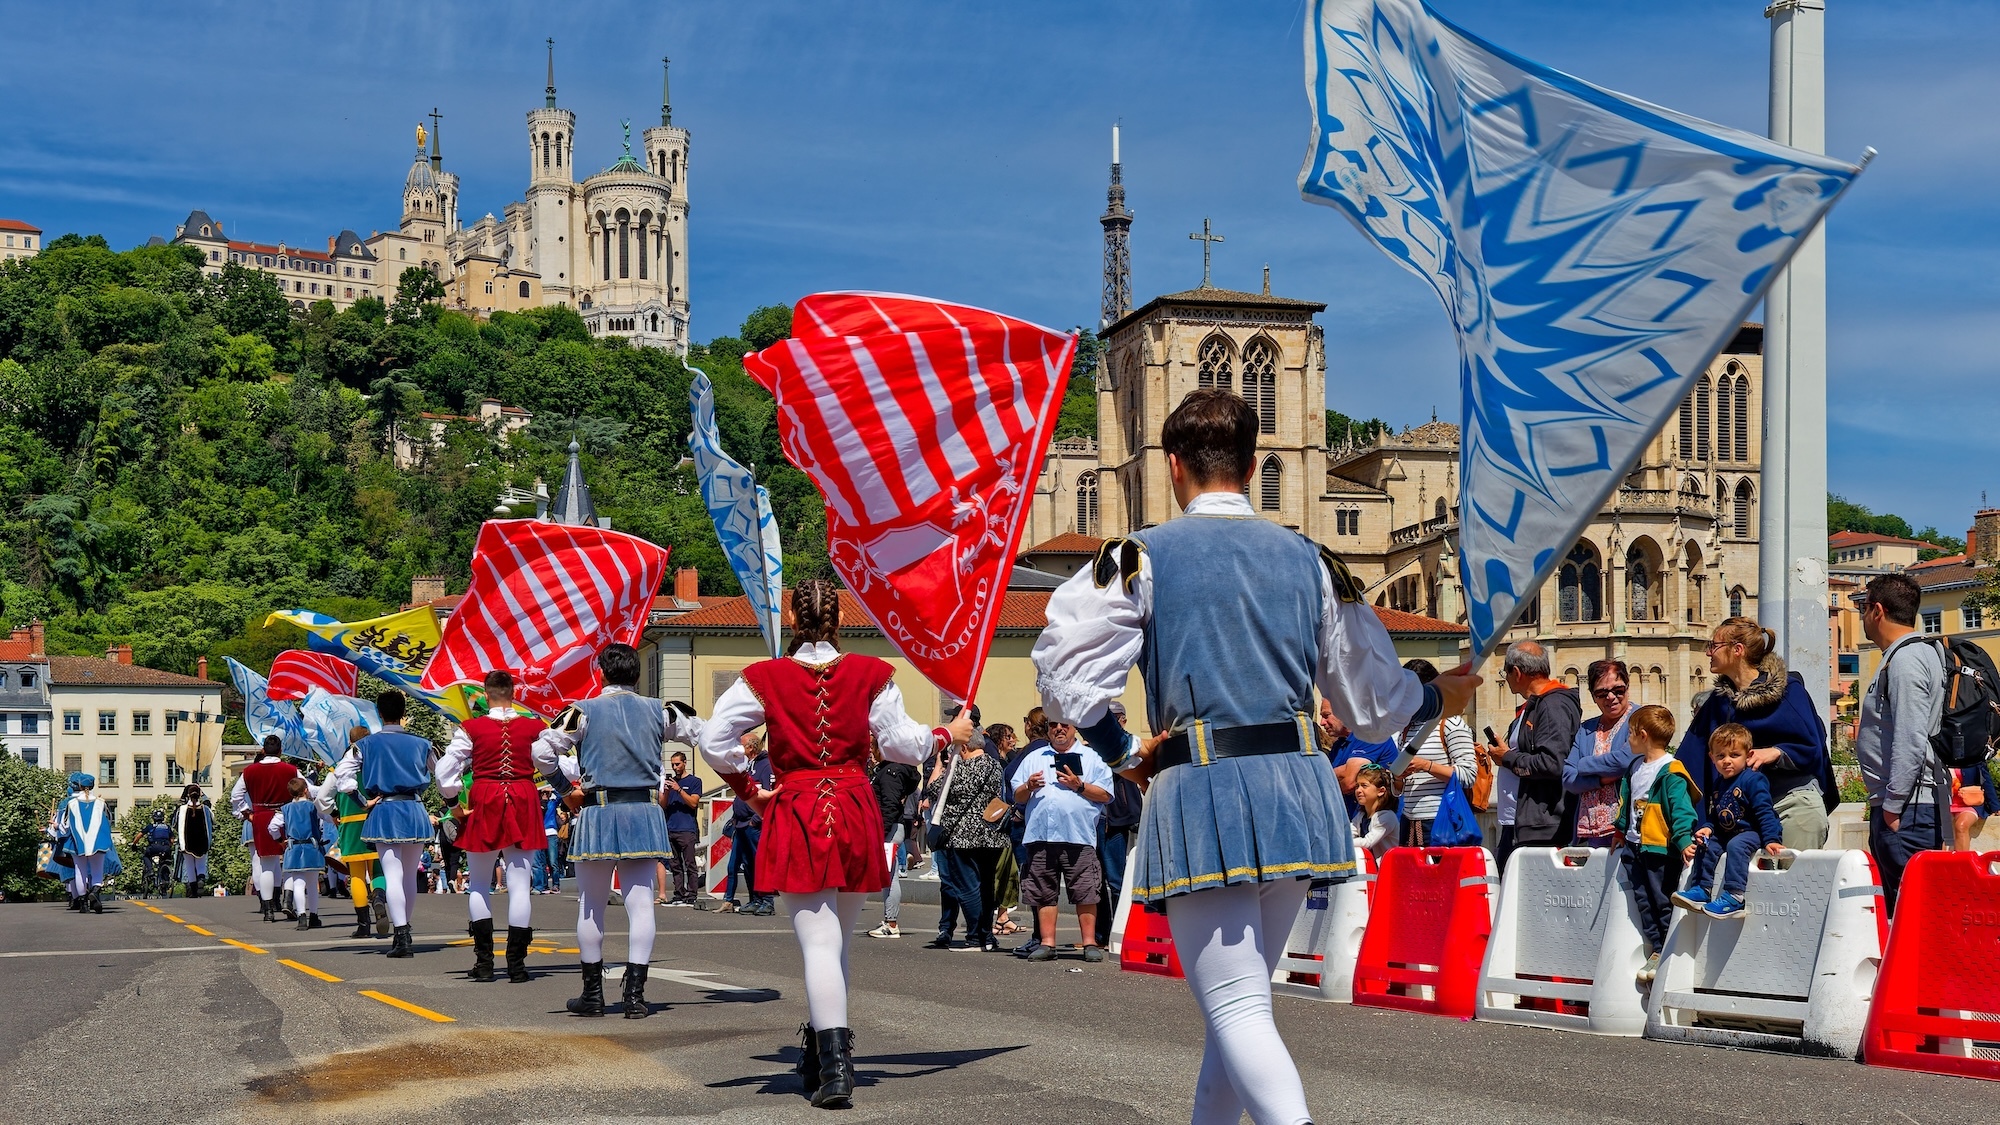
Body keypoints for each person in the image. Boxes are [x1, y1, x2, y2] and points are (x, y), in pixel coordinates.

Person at [1031, 388, 1480, 1125]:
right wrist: (1438, 698)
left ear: (1174, 466)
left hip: (1206, 785)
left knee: (1236, 1006)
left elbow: (1065, 676)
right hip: (1299, 791)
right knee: (1235, 1011)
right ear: (1250, 463)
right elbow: (1370, 699)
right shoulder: (1311, 558)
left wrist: (1118, 748)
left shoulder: (1140, 554)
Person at [697, 578, 976, 1110]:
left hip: (799, 805)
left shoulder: (764, 677)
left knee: (819, 944)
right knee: (839, 942)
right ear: (839, 620)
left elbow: (713, 739)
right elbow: (903, 744)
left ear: (792, 619)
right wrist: (947, 735)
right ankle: (823, 1052)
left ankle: (835, 1067)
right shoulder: (873, 674)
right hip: (852, 805)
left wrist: (750, 790)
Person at [529, 645, 702, 1019]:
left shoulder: (582, 711)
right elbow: (705, 734)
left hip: (598, 811)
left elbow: (541, 752)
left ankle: (593, 995)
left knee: (591, 904)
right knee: (641, 906)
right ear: (637, 677)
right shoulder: (663, 709)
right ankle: (635, 996)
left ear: (602, 675)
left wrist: (564, 788)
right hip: (642, 810)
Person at [1676, 616, 1835, 850]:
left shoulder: (1789, 693)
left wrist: (1777, 752)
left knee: (1789, 883)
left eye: (1714, 646)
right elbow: (1691, 759)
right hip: (1738, 814)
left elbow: (1813, 746)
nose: (1709, 653)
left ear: (1737, 650)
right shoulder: (1718, 704)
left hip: (1790, 805)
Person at [435, 671, 551, 984]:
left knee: (479, 883)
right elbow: (556, 762)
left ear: (486, 695)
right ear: (514, 693)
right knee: (519, 884)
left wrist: (453, 806)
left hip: (484, 796)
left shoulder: (470, 728)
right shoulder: (535, 727)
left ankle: (485, 964)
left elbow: (444, 773)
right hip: (523, 796)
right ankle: (516, 965)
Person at [1855, 573, 1946, 913]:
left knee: (1911, 916)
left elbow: (1910, 736)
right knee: (1906, 916)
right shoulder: (1913, 654)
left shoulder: (1906, 660)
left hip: (1907, 811)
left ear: (1877, 610)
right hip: (1907, 807)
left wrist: (1892, 805)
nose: (1863, 617)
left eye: (1863, 609)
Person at [333, 691, 438, 957]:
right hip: (414, 808)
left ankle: (401, 934)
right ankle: (405, 928)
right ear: (403, 713)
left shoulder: (366, 745)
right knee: (409, 876)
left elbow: (342, 775)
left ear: (379, 714)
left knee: (392, 875)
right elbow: (444, 774)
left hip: (385, 809)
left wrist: (360, 800)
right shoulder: (422, 743)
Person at [1011, 718, 1113, 963]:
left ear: (1074, 728)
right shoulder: (1034, 757)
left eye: (1064, 725)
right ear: (1047, 730)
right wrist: (1029, 785)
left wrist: (1079, 786)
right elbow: (1017, 793)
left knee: (1086, 891)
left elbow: (1106, 794)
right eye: (1053, 725)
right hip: (1041, 836)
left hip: (1078, 836)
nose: (1059, 728)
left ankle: (1090, 942)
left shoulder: (1091, 758)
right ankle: (1047, 943)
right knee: (1044, 892)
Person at [1611, 705, 1698, 985]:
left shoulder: (1670, 770)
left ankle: (1667, 952)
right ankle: (1657, 949)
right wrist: (1620, 831)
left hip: (1659, 849)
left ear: (1643, 735)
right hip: (1636, 847)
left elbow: (1680, 810)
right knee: (1643, 901)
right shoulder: (1635, 767)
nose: (1628, 740)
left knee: (1662, 901)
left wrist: (1684, 841)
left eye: (1631, 734)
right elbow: (1626, 803)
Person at [1672, 723, 1785, 920]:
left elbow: (1764, 811)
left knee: (1736, 845)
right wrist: (1707, 828)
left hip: (1752, 832)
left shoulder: (1753, 779)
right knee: (1706, 844)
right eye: (1720, 756)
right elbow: (1716, 815)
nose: (1726, 761)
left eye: (1734, 755)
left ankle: (1735, 896)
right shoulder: (1719, 783)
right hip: (1728, 832)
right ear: (1712, 758)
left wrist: (1771, 839)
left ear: (1748, 756)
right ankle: (1701, 889)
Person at [1487, 640, 1580, 873]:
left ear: (1516, 672)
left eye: (1505, 672)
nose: (1505, 678)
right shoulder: (1536, 705)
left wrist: (1507, 758)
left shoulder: (1553, 704)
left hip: (1544, 825)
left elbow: (1551, 763)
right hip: (1523, 821)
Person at [924, 718, 1010, 952]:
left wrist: (941, 765)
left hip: (963, 835)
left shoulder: (959, 768)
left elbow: (932, 790)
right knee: (986, 886)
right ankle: (987, 936)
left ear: (964, 746)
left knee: (967, 886)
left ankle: (974, 937)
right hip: (991, 833)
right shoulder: (995, 765)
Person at [1394, 659, 1478, 846]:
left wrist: (1425, 765)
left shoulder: (1451, 724)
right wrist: (1398, 777)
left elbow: (1469, 775)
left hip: (1442, 821)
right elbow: (1399, 787)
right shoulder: (1406, 728)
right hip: (1409, 822)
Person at [1563, 660, 1637, 849]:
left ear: (1628, 686)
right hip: (1591, 834)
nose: (1611, 697)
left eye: (1618, 690)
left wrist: (1583, 764)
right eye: (1602, 693)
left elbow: (1624, 762)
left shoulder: (1641, 718)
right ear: (1593, 696)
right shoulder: (1586, 729)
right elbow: (1568, 778)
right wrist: (1602, 780)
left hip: (1629, 828)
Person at [322, 727, 386, 939]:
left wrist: (334, 813)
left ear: (350, 742)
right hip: (376, 822)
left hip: (350, 825)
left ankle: (363, 924)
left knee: (356, 874)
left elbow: (321, 799)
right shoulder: (378, 765)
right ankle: (378, 899)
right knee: (378, 870)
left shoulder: (339, 768)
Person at [232, 735, 301, 923]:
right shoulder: (291, 769)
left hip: (261, 817)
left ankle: (268, 910)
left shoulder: (250, 771)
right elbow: (306, 789)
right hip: (286, 816)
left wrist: (247, 814)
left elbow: (236, 796)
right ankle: (287, 900)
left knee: (266, 865)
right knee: (288, 863)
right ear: (280, 750)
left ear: (263, 750)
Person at [1095, 703, 1146, 947]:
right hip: (1098, 820)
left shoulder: (1129, 745)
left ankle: (1120, 930)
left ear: (1123, 720)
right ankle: (1102, 933)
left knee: (1116, 879)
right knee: (1097, 880)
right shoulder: (1095, 746)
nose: (1111, 723)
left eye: (1115, 718)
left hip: (1117, 820)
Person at [866, 740, 919, 938]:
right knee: (889, 875)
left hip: (887, 829)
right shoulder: (893, 770)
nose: (871, 751)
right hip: (891, 828)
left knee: (890, 876)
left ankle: (891, 923)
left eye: (874, 747)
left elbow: (889, 805)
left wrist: (879, 832)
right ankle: (890, 920)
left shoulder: (890, 773)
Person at [722, 732, 774, 915]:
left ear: (751, 747)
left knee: (760, 862)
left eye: (741, 745)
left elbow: (770, 793)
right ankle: (755, 899)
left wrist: (756, 819)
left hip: (754, 824)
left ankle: (767, 901)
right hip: (741, 824)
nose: (738, 749)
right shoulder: (747, 765)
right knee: (748, 863)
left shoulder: (766, 766)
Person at [51, 772, 115, 913]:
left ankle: (83, 903)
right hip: (99, 842)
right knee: (97, 871)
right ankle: (95, 890)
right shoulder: (101, 802)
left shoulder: (71, 803)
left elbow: (64, 826)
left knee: (80, 872)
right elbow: (109, 821)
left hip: (78, 843)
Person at [270, 775, 328, 930]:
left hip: (293, 848)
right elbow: (325, 820)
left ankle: (301, 916)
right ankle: (314, 916)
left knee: (298, 883)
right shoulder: (313, 806)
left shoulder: (285, 809)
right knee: (312, 883)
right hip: (312, 847)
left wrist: (279, 840)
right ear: (306, 790)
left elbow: (273, 827)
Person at [662, 751, 705, 906]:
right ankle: (679, 893)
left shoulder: (694, 781)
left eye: (677, 764)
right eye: (673, 764)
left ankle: (692, 894)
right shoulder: (671, 783)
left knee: (689, 863)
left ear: (684, 763)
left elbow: (694, 803)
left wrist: (679, 789)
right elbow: (663, 805)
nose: (675, 767)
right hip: (670, 827)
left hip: (686, 828)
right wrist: (667, 791)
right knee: (675, 864)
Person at [172, 784, 213, 899]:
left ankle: (194, 889)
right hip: (202, 842)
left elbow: (174, 823)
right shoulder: (205, 809)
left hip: (187, 842)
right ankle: (201, 879)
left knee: (189, 865)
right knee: (200, 864)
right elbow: (213, 821)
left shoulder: (182, 809)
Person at [1351, 765, 1398, 861]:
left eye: (1364, 786)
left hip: (1386, 871)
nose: (1358, 790)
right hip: (1369, 869)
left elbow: (1367, 843)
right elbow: (1348, 833)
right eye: (1357, 786)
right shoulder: (1360, 816)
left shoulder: (1386, 816)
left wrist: (1343, 843)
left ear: (1381, 791)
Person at [140, 810, 173, 897]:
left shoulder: (151, 826)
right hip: (166, 848)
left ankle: (150, 870)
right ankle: (165, 881)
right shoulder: (167, 827)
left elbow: (139, 835)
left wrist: (134, 844)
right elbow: (172, 840)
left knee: (146, 856)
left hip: (154, 847)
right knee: (165, 862)